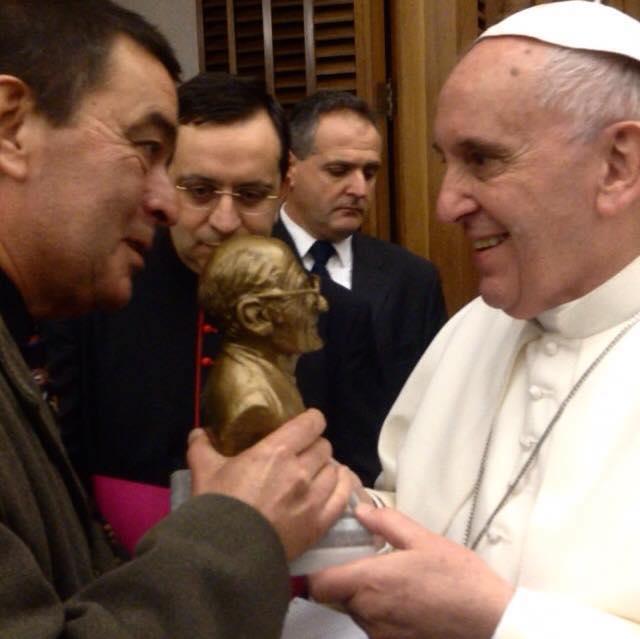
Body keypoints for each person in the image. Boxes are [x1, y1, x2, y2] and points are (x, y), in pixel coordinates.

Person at [0, 1, 351, 637]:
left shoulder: (322, 296)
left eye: (249, 194)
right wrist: (238, 532)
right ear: (10, 126)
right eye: (146, 150)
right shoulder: (92, 301)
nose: (166, 205)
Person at [308, 2, 640, 637]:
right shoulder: (472, 327)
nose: (446, 204)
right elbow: (415, 514)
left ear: (617, 164)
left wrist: (500, 622)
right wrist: (334, 511)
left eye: (482, 159)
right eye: (445, 162)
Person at [46, 71, 384, 489]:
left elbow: (361, 478)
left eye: (250, 195)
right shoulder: (94, 299)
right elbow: (61, 470)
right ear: (163, 178)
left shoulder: (339, 316)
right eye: (200, 191)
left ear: (283, 186)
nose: (225, 222)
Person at [277, 90, 448, 410]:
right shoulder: (250, 263)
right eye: (339, 170)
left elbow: (432, 406)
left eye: (369, 173)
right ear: (291, 168)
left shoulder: (413, 280)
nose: (358, 189)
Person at [199, 235, 328, 454]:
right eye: (303, 290)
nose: (322, 304)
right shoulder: (253, 407)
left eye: (312, 285)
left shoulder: (267, 372)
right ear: (256, 317)